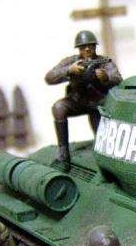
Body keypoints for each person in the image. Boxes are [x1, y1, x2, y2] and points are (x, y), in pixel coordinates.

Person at [45, 31, 122, 165]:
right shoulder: (71, 61)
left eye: (90, 46)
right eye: (83, 47)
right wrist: (69, 70)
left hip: (98, 103)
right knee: (58, 108)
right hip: (77, 100)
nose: (87, 49)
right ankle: (63, 150)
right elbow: (49, 77)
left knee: (102, 140)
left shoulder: (104, 61)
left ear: (95, 47)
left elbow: (118, 79)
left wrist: (106, 77)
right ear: (78, 49)